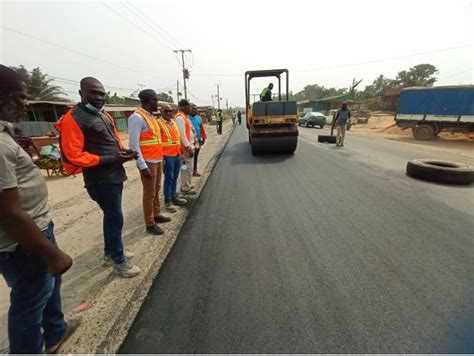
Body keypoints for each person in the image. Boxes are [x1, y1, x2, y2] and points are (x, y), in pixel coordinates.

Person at [0, 64, 79, 353]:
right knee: (29, 301)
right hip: (22, 241)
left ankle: (55, 333)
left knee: (46, 289)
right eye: (19, 96)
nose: (25, 102)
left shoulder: (7, 135)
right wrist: (51, 252)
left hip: (31, 232)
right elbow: (8, 212)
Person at [54, 77, 140, 278]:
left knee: (111, 217)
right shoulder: (73, 118)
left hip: (114, 175)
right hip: (100, 179)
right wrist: (111, 158)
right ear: (81, 93)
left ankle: (110, 252)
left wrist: (123, 153)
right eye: (95, 93)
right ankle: (120, 262)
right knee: (115, 218)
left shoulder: (104, 115)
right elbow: (73, 155)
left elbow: (112, 142)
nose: (100, 97)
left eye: (102, 93)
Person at [128, 89, 171, 236]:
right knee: (149, 194)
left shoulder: (151, 118)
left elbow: (156, 142)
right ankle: (149, 223)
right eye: (156, 100)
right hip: (148, 162)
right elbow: (134, 145)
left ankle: (156, 214)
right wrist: (142, 166)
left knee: (156, 190)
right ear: (150, 100)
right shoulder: (137, 118)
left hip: (157, 160)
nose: (157, 104)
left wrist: (161, 158)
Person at [156, 104, 187, 213]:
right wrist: (162, 157)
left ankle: (174, 196)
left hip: (176, 154)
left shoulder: (173, 122)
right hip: (167, 156)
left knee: (175, 177)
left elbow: (178, 139)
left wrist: (182, 152)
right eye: (166, 111)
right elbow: (157, 142)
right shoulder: (158, 124)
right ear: (161, 111)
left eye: (170, 111)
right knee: (169, 178)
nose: (169, 113)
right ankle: (168, 201)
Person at [174, 99, 196, 196]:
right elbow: (182, 135)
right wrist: (188, 147)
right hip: (185, 149)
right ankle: (185, 187)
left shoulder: (184, 117)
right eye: (189, 106)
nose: (190, 108)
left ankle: (187, 184)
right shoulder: (179, 118)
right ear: (184, 107)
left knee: (188, 168)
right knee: (185, 168)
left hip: (188, 147)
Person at [188, 104, 207, 177]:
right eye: (193, 109)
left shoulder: (198, 118)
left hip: (198, 140)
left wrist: (203, 137)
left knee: (196, 156)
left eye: (195, 109)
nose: (194, 110)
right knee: (188, 159)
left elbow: (201, 128)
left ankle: (195, 171)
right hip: (190, 142)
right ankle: (188, 173)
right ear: (190, 109)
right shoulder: (187, 118)